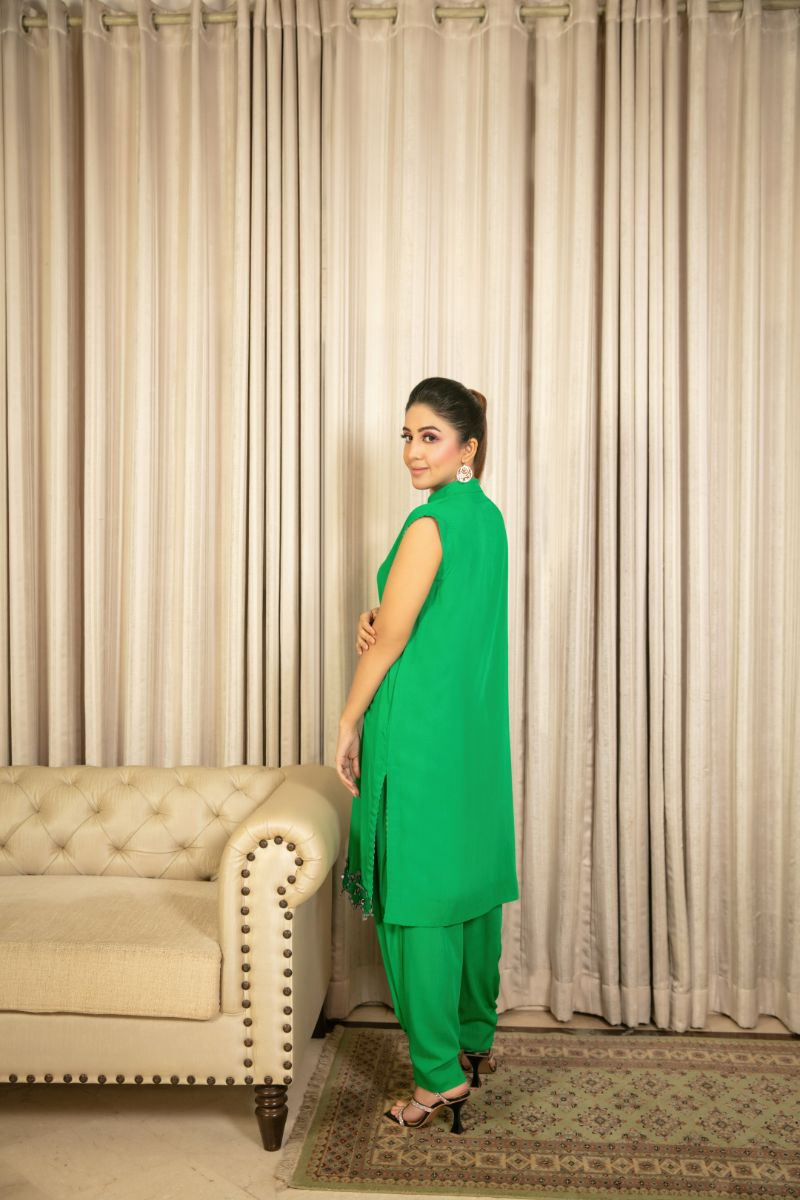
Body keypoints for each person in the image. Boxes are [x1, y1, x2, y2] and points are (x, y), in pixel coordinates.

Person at [334, 376, 519, 1133]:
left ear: (467, 447)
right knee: (467, 896)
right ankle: (474, 1040)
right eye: (407, 436)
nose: (413, 451)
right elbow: (437, 616)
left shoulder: (427, 524)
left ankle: (438, 1079)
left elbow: (394, 643)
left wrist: (349, 720)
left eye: (430, 437)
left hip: (417, 737)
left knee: (415, 908)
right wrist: (380, 611)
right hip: (472, 740)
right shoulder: (489, 518)